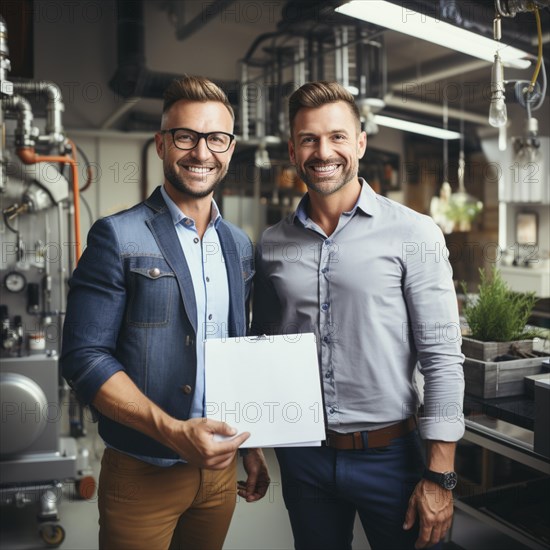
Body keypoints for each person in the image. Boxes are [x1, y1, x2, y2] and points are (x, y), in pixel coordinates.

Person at [252, 81, 465, 550]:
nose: (323, 151)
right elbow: (262, 347)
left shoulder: (414, 233)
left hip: (391, 458)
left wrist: (440, 474)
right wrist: (253, 443)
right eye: (308, 139)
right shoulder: (272, 243)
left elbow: (443, 358)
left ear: (361, 143)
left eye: (337, 137)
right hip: (303, 457)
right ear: (292, 149)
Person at [61, 75, 269, 550]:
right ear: (161, 143)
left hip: (219, 475)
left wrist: (253, 442)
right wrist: (172, 432)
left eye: (216, 138)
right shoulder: (117, 236)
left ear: (230, 149)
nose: (201, 152)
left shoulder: (237, 246)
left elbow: (238, 351)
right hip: (141, 471)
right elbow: (85, 357)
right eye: (185, 136)